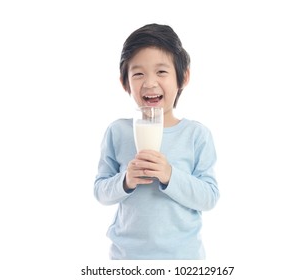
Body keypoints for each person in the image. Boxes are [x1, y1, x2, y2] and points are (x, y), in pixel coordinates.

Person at [94, 23, 219, 260]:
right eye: (138, 74)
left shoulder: (195, 134)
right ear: (125, 83)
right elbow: (101, 191)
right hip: (126, 258)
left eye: (161, 72)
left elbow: (209, 197)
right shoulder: (118, 131)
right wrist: (126, 181)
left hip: (182, 260)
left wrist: (170, 174)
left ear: (183, 77)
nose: (150, 83)